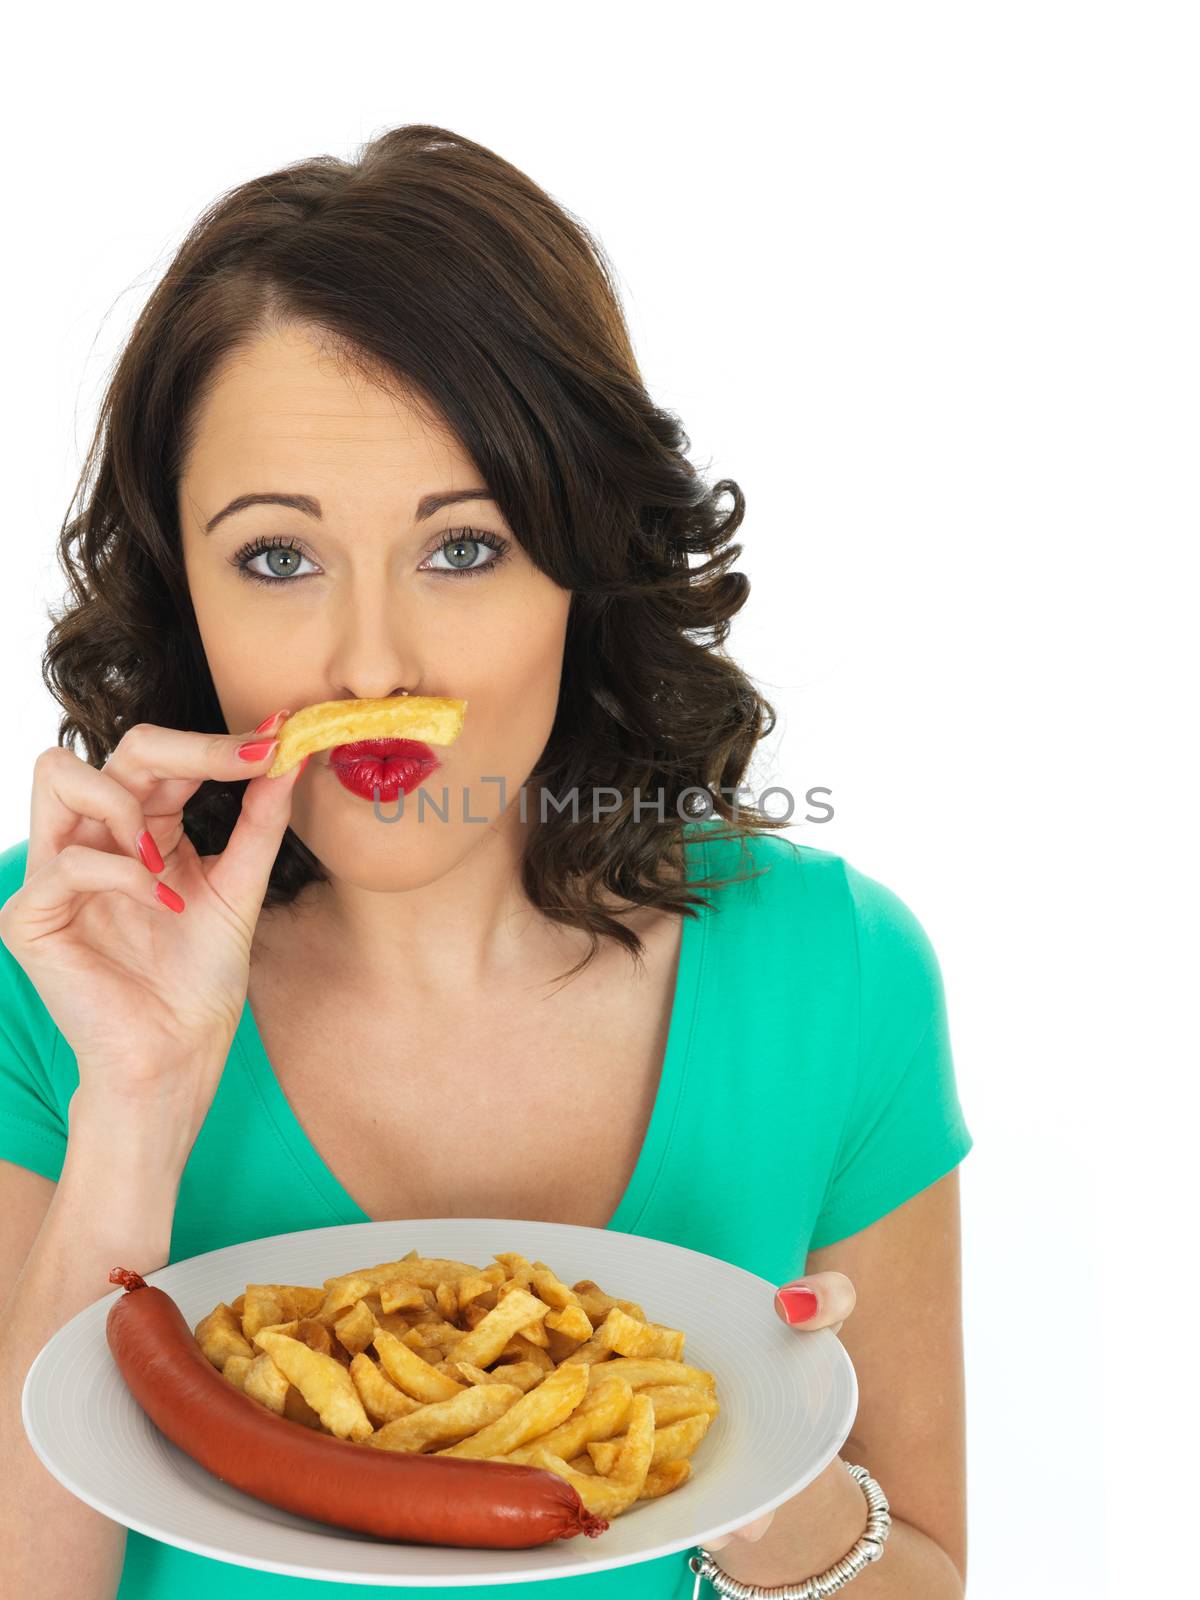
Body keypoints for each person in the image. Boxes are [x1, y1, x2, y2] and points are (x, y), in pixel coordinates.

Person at [0, 125, 973, 1600]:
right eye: (276, 557)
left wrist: (760, 1478)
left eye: (464, 550)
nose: (371, 656)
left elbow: (938, 1576)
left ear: (585, 567)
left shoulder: (833, 975)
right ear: (177, 585)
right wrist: (132, 1108)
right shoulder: (51, 959)